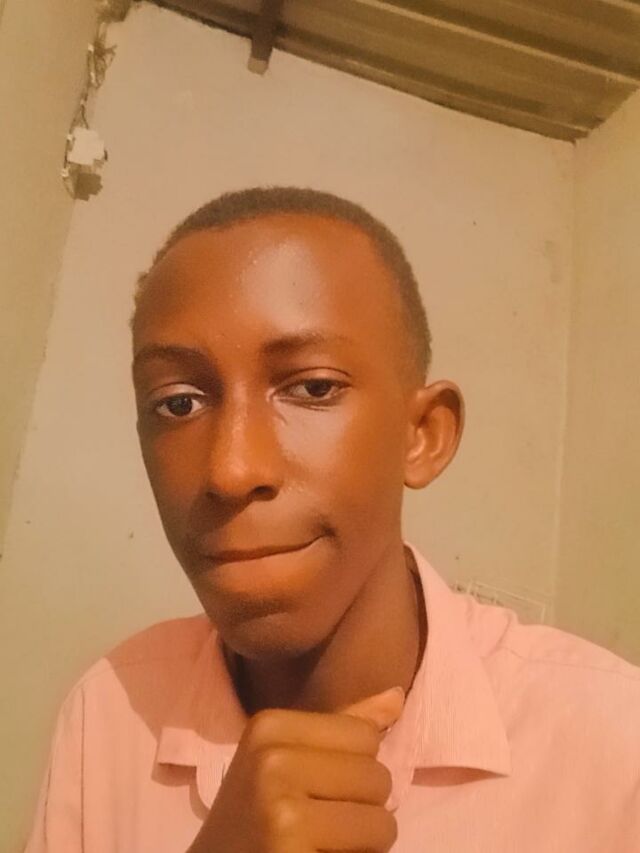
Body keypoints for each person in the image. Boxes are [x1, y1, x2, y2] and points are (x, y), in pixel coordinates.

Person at [24, 187, 640, 852]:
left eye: (312, 388)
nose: (230, 469)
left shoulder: (610, 745)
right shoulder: (109, 714)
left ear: (422, 435)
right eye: (178, 403)